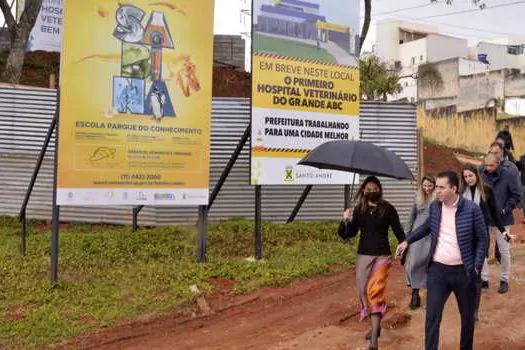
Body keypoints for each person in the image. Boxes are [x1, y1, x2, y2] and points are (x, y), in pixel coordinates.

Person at [396, 171, 487, 350]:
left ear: (454, 188)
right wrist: (407, 241)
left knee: (467, 317)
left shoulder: (471, 209)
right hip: (438, 272)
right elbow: (425, 227)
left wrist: (476, 265)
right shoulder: (435, 208)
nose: (437, 191)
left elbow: (482, 238)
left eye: (441, 187)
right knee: (432, 317)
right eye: (436, 187)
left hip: (464, 272)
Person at [338, 176, 405, 350]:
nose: (372, 191)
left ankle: (374, 338)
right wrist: (345, 220)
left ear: (380, 190)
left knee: (374, 292)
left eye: (375, 188)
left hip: (382, 256)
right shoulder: (359, 210)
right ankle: (376, 326)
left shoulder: (388, 209)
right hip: (363, 256)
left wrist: (404, 245)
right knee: (363, 292)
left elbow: (398, 231)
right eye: (368, 188)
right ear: (363, 191)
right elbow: (348, 234)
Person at [460, 164, 508, 320]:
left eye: (470, 176)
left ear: (476, 175)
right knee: (465, 272)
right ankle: (467, 305)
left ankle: (474, 310)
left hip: (481, 235)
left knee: (477, 272)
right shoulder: (461, 192)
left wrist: (503, 230)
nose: (468, 179)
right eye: (465, 177)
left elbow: (494, 212)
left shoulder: (486, 190)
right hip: (464, 235)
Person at [479, 154, 520, 293]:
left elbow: (516, 195)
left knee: (504, 250)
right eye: (486, 165)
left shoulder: (508, 176)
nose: (488, 168)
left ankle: (504, 280)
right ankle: (483, 279)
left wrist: (505, 209)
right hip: (484, 218)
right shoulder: (481, 175)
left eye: (492, 165)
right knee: (482, 249)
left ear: (498, 164)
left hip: (503, 219)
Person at [404, 175, 436, 310]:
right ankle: (415, 293)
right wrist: (407, 234)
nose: (427, 188)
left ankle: (431, 296)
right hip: (417, 234)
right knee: (413, 264)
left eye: (430, 185)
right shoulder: (417, 197)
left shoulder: (438, 199)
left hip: (431, 234)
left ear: (434, 185)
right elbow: (412, 215)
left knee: (429, 264)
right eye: (425, 185)